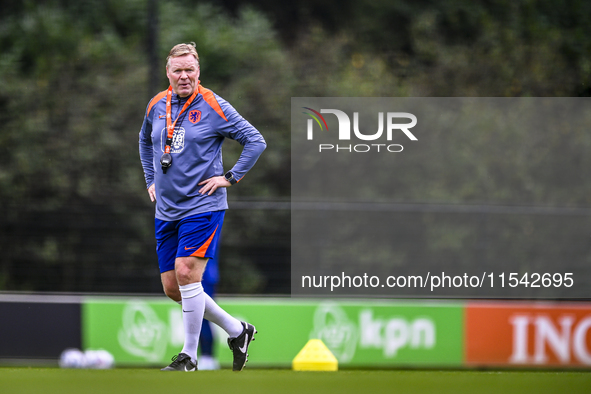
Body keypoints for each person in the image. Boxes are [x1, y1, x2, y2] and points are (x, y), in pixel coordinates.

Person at [138, 42, 266, 372]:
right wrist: (150, 177)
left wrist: (230, 178)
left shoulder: (212, 104)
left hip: (202, 205)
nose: (184, 76)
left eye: (189, 70)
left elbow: (255, 140)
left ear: (198, 72)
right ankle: (238, 331)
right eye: (177, 70)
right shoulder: (156, 105)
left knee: (186, 274)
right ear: (168, 73)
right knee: (173, 287)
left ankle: (189, 357)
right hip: (166, 210)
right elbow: (144, 140)